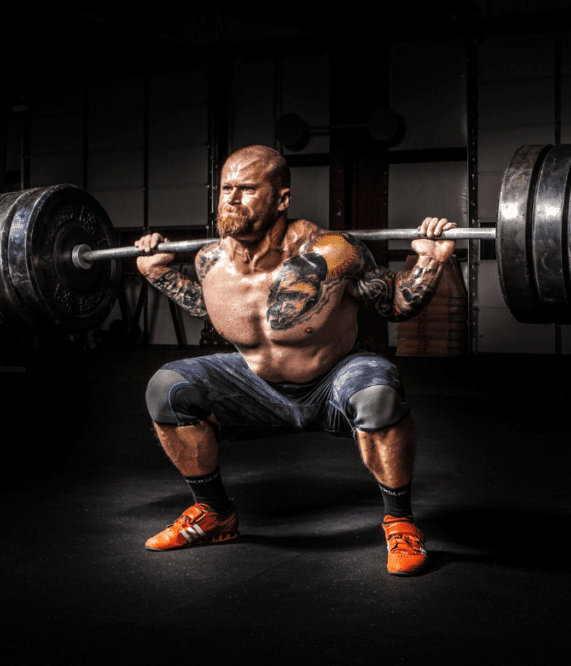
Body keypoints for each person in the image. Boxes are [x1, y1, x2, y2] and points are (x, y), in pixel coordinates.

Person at [135, 145, 456, 576]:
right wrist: (160, 274)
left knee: (379, 389)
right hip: (255, 387)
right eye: (226, 188)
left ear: (282, 199)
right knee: (167, 387)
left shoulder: (335, 252)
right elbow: (208, 307)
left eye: (247, 189)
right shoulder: (209, 260)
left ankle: (399, 522)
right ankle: (214, 514)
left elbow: (395, 303)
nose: (231, 198)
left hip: (331, 380)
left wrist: (430, 262)